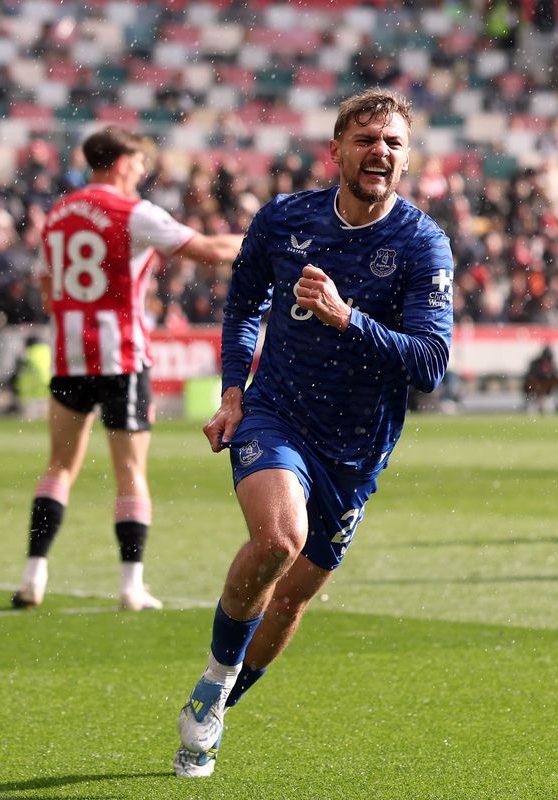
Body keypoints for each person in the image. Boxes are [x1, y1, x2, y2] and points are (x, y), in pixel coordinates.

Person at [171, 89, 454, 778]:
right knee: (277, 540)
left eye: (392, 142)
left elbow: (432, 363)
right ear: (337, 150)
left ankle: (220, 707)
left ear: (406, 159)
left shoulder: (421, 243)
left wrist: (346, 317)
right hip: (278, 414)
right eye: (366, 138)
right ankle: (210, 689)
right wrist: (234, 392)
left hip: (357, 450)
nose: (378, 151)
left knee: (293, 596)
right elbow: (243, 306)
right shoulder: (285, 220)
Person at [10, 126, 241, 612]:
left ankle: (34, 574)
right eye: (137, 163)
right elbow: (212, 252)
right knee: (131, 471)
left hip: (70, 357)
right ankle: (131, 585)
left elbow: (49, 287)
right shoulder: (132, 212)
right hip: (123, 357)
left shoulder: (58, 213)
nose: (141, 171)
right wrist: (273, 238)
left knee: (58, 466)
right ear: (118, 163)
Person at [523, 345, 558, 413]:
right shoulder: (536, 364)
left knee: (547, 408)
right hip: (535, 390)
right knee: (534, 407)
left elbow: (557, 374)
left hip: (546, 391)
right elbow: (530, 376)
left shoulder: (552, 365)